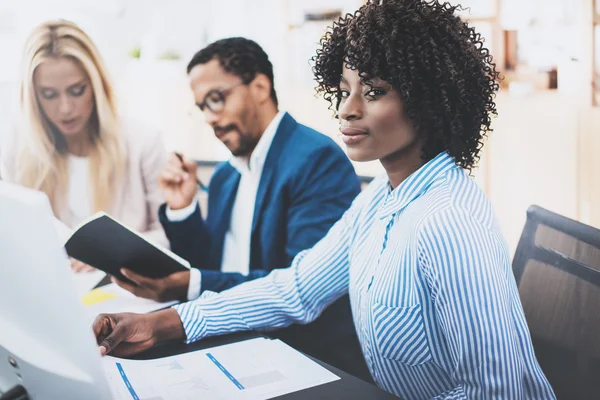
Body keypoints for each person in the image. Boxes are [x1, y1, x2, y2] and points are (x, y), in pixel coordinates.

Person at [92, 1, 556, 398]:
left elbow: (498, 391)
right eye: (344, 89)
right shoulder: (381, 199)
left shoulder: (446, 220)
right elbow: (296, 289)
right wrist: (166, 323)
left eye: (374, 91)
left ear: (429, 99)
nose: (347, 109)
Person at [109, 38, 368, 379]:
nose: (209, 118)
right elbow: (208, 265)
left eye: (216, 99)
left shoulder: (316, 159)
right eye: (201, 107)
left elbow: (297, 284)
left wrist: (188, 286)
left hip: (297, 353)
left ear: (260, 86)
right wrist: (182, 208)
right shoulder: (224, 177)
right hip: (226, 339)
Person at [0, 20, 168, 261]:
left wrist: (108, 255)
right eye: (49, 95)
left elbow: (167, 235)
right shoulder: (18, 149)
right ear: (33, 97)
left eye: (77, 90)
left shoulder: (143, 141)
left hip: (126, 289)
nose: (66, 108)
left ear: (97, 84)